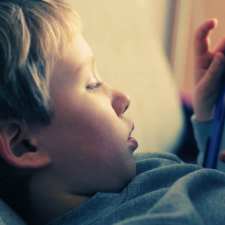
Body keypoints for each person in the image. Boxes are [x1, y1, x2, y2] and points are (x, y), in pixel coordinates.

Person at [0, 1, 225, 225]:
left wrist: (212, 121)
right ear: (25, 145)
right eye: (92, 84)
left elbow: (207, 188)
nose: (123, 99)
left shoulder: (138, 172)